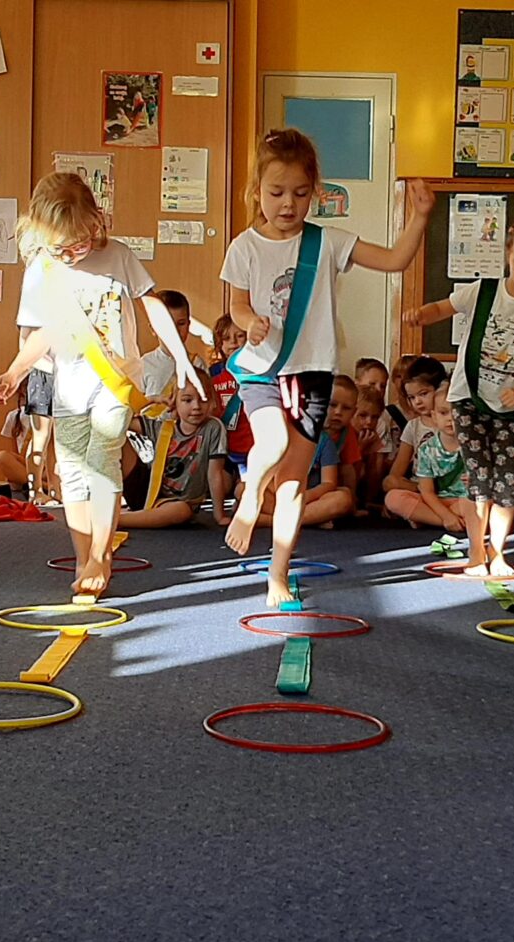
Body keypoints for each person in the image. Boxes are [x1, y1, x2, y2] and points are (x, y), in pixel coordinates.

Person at [220, 128, 432, 605]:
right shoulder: (244, 246)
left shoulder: (327, 242)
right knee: (272, 441)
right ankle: (250, 495)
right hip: (263, 370)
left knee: (293, 483)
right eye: (276, 192)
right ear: (257, 190)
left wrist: (419, 217)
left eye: (300, 193)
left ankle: (277, 573)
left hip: (311, 374)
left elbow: (395, 260)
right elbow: (236, 305)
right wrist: (251, 322)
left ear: (315, 191)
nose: (288, 204)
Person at [0, 172, 196, 599]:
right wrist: (14, 372)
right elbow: (42, 333)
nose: (70, 254)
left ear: (96, 223)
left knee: (102, 459)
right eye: (60, 248)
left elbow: (153, 305)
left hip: (114, 383)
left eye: (79, 243)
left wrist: (180, 357)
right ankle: (84, 557)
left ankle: (101, 555)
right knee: (71, 472)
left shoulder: (118, 256)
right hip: (68, 386)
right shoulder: (42, 271)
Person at [406, 214, 514, 577]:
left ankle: (499, 553)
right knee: (478, 478)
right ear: (508, 253)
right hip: (468, 399)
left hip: (509, 407)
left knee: (506, 482)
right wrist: (422, 315)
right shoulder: (484, 291)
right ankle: (476, 552)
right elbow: (444, 307)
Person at [255, 377, 360, 530]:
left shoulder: (327, 442)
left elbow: (329, 483)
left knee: (343, 498)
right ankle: (311, 518)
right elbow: (269, 474)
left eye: (345, 408)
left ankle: (273, 521)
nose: (338, 412)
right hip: (281, 495)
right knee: (243, 489)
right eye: (332, 405)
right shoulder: (286, 434)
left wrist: (305, 496)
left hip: (313, 498)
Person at [119, 385, 230, 529]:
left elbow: (214, 473)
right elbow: (119, 420)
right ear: (174, 403)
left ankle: (116, 520)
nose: (196, 406)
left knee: (181, 511)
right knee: (115, 434)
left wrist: (219, 515)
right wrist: (152, 399)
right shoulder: (163, 427)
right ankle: (109, 509)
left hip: (174, 503)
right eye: (187, 400)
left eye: (203, 399)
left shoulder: (213, 427)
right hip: (147, 490)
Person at [384, 387, 476, 536]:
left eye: (456, 413)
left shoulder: (475, 446)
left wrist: (476, 482)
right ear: (434, 416)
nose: (450, 419)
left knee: (482, 504)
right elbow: (427, 492)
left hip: (464, 501)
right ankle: (451, 522)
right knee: (393, 498)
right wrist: (446, 516)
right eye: (443, 413)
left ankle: (428, 519)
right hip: (437, 501)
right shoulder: (427, 449)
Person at [379, 356, 455, 528]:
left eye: (423, 394)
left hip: (451, 490)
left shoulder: (452, 423)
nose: (418, 402)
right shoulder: (413, 426)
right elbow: (397, 471)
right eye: (412, 397)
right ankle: (446, 519)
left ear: (440, 388)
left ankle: (427, 517)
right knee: (391, 488)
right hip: (420, 488)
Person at [206, 314, 249, 514]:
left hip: (250, 448)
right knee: (219, 486)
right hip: (223, 450)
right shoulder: (213, 373)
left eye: (239, 336)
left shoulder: (258, 371)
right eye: (226, 338)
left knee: (246, 490)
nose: (233, 343)